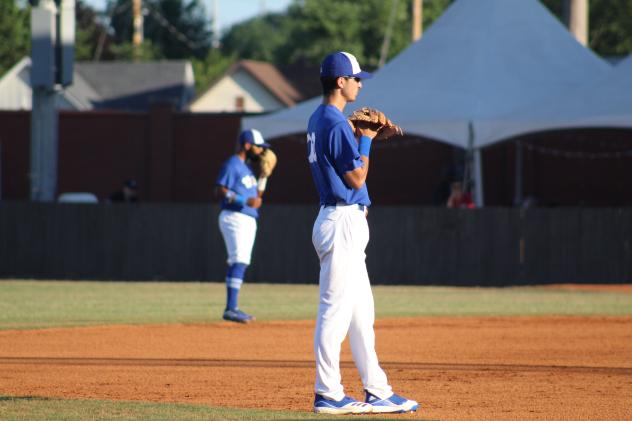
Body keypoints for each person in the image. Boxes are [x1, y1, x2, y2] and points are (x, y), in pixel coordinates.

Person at [306, 51, 419, 415]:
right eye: (356, 79)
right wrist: (366, 139)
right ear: (341, 81)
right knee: (335, 312)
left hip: (342, 220)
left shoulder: (321, 117)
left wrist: (357, 135)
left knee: (360, 315)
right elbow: (356, 177)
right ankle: (328, 392)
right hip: (341, 221)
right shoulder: (335, 123)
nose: (360, 84)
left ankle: (378, 390)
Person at [215, 128, 269, 323]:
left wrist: (264, 177)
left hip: (247, 218)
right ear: (247, 145)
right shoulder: (232, 164)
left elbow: (256, 200)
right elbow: (220, 190)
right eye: (258, 147)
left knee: (242, 260)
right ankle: (230, 308)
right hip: (234, 215)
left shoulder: (247, 169)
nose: (261, 151)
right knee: (238, 259)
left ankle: (233, 308)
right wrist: (242, 200)